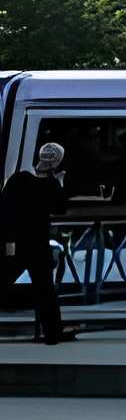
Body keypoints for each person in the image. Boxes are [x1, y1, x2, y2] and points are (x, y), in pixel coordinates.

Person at [3, 142, 68, 345]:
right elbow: (59, 208)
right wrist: (59, 183)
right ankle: (52, 333)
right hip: (37, 242)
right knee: (45, 289)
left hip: (15, 241)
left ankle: (53, 332)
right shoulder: (50, 184)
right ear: (57, 161)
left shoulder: (18, 179)